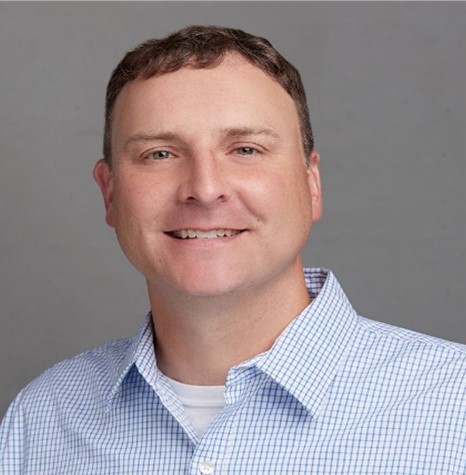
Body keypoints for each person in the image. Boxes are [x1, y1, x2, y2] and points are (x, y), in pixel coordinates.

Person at [1, 25, 465, 474]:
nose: (205, 189)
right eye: (159, 154)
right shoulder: (40, 421)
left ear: (311, 184)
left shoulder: (453, 406)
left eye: (246, 150)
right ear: (109, 193)